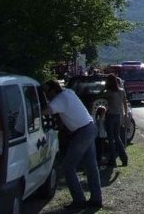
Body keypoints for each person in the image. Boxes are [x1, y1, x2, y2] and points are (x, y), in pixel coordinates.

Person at [43, 79, 102, 209]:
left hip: (82, 132)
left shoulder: (59, 99)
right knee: (91, 166)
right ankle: (96, 199)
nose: (47, 94)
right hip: (90, 127)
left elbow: (45, 111)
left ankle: (79, 200)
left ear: (53, 90)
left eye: (47, 91)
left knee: (68, 166)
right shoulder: (68, 92)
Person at [104, 74, 129, 167]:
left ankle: (112, 160)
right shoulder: (121, 91)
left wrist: (104, 87)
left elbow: (99, 95)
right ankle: (124, 158)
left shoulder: (109, 92)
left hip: (110, 116)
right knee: (117, 137)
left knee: (110, 139)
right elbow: (125, 104)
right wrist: (125, 115)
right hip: (118, 116)